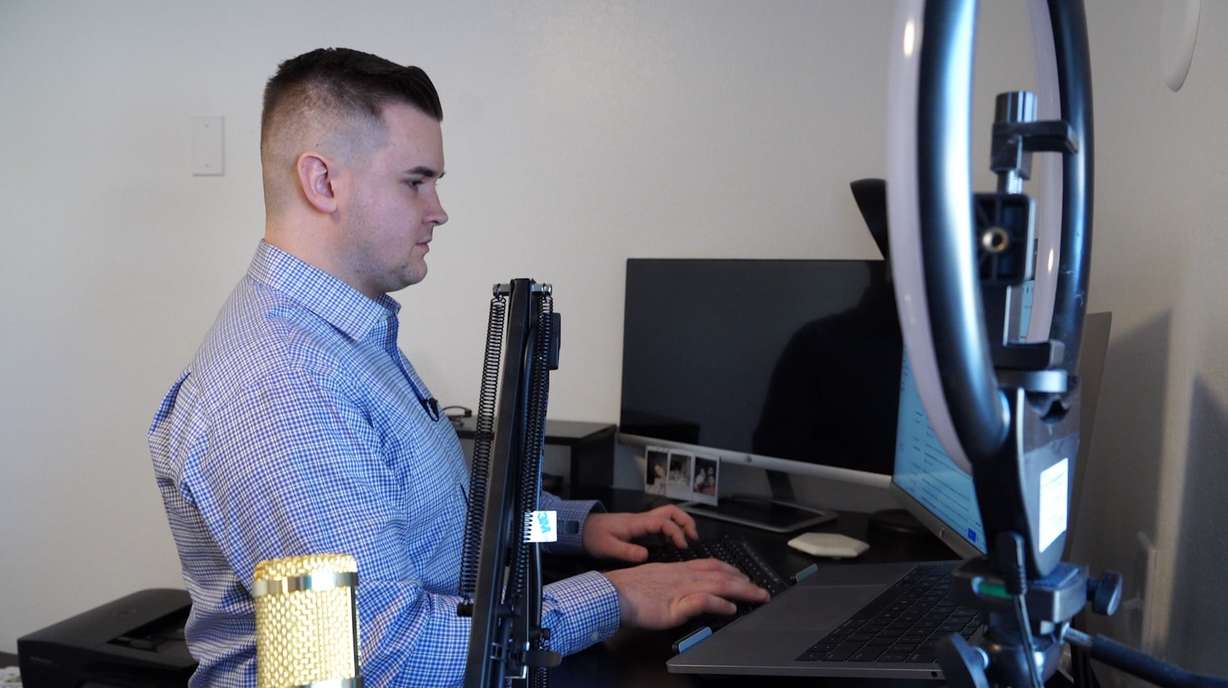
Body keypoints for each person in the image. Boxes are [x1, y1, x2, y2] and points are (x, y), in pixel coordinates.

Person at [148, 48, 767, 688]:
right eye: (415, 182)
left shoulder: (348, 342)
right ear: (323, 182)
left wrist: (575, 529)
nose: (438, 209)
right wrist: (616, 596)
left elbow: (452, 524)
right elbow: (387, 657)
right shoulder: (284, 390)